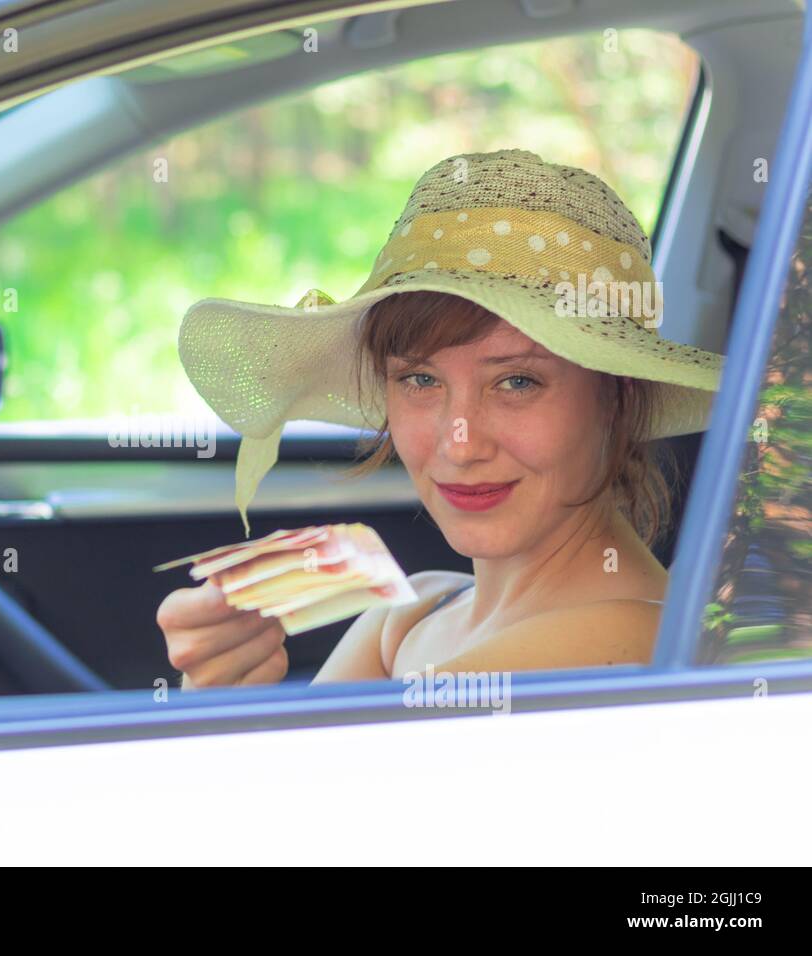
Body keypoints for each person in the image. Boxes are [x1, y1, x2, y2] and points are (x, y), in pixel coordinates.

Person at [158, 148, 725, 688]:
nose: (459, 445)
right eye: (420, 380)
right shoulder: (416, 614)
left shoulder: (631, 635)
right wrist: (217, 687)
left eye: (516, 382)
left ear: (615, 399)